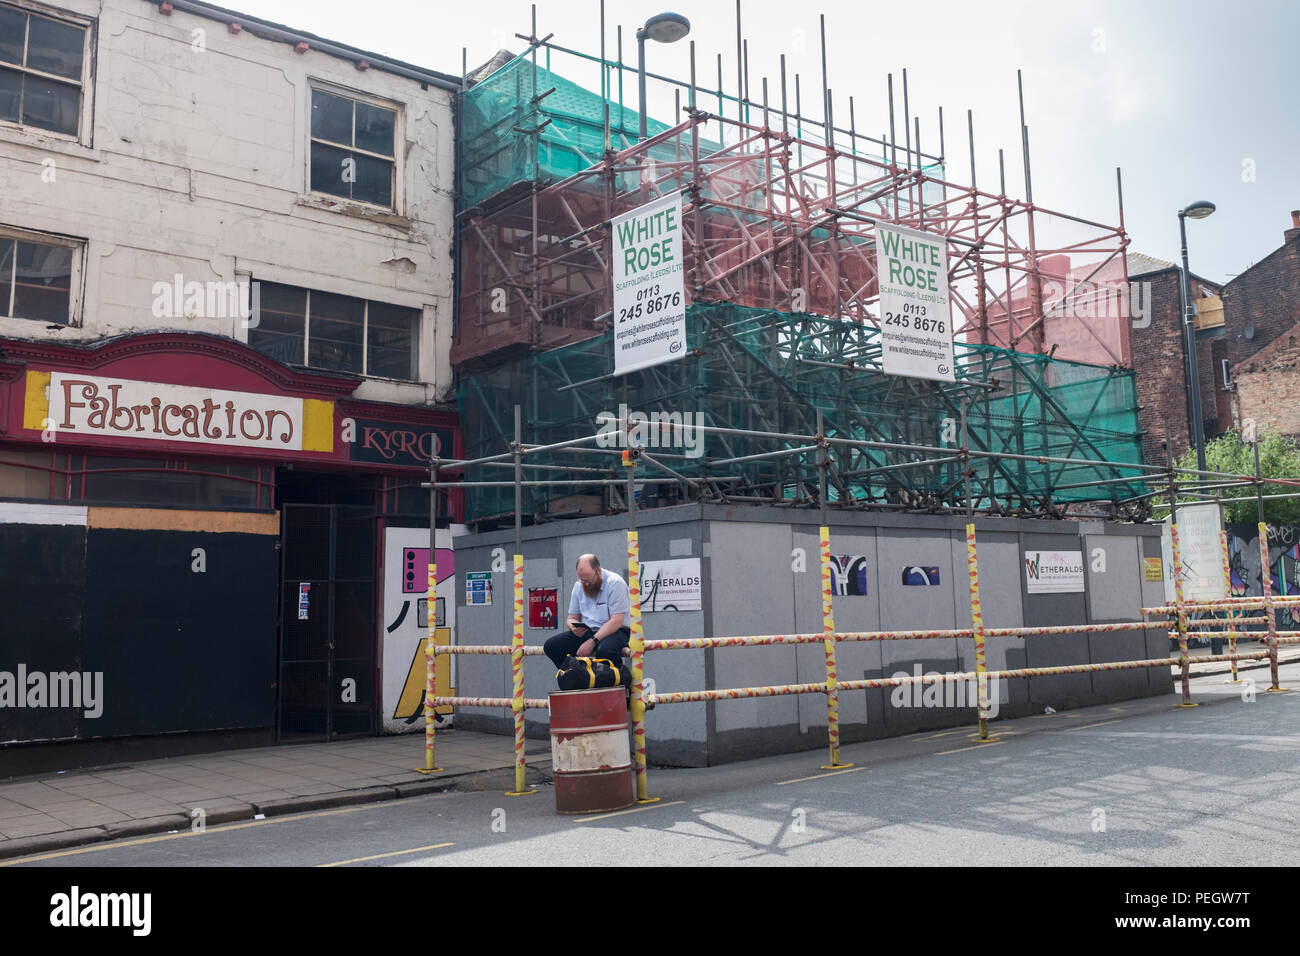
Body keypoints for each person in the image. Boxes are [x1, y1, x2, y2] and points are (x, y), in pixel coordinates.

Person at [543, 553, 631, 670]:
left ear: (598, 571)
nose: (586, 584)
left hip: (615, 631)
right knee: (552, 646)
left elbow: (617, 621)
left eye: (589, 580)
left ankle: (618, 681)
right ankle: (576, 678)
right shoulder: (578, 586)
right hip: (589, 631)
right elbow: (571, 617)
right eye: (582, 580)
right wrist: (573, 627)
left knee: (605, 651)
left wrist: (592, 641)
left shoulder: (615, 583)